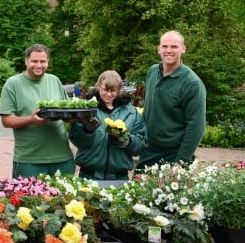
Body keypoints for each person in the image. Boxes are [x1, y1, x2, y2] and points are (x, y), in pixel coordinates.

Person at [0, 44, 74, 178]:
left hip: (62, 156)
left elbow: (67, 112)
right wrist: (31, 119)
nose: (39, 65)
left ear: (48, 62)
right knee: (28, 199)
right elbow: (6, 120)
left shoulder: (54, 81)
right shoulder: (13, 84)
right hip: (29, 160)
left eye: (42, 61)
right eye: (34, 61)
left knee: (68, 199)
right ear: (26, 61)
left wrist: (79, 117)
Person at [136, 30, 206, 170]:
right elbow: (148, 110)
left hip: (173, 156)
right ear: (159, 49)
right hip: (148, 151)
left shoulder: (192, 83)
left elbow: (196, 127)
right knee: (138, 192)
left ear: (183, 49)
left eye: (174, 47)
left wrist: (180, 162)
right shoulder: (152, 72)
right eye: (165, 46)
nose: (169, 50)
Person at [69, 70, 147, 181]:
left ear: (119, 90)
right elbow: (77, 141)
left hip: (120, 177)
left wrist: (127, 141)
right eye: (105, 90)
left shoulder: (131, 113)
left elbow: (141, 145)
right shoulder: (86, 109)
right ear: (98, 86)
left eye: (113, 91)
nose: (109, 94)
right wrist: (87, 130)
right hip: (89, 176)